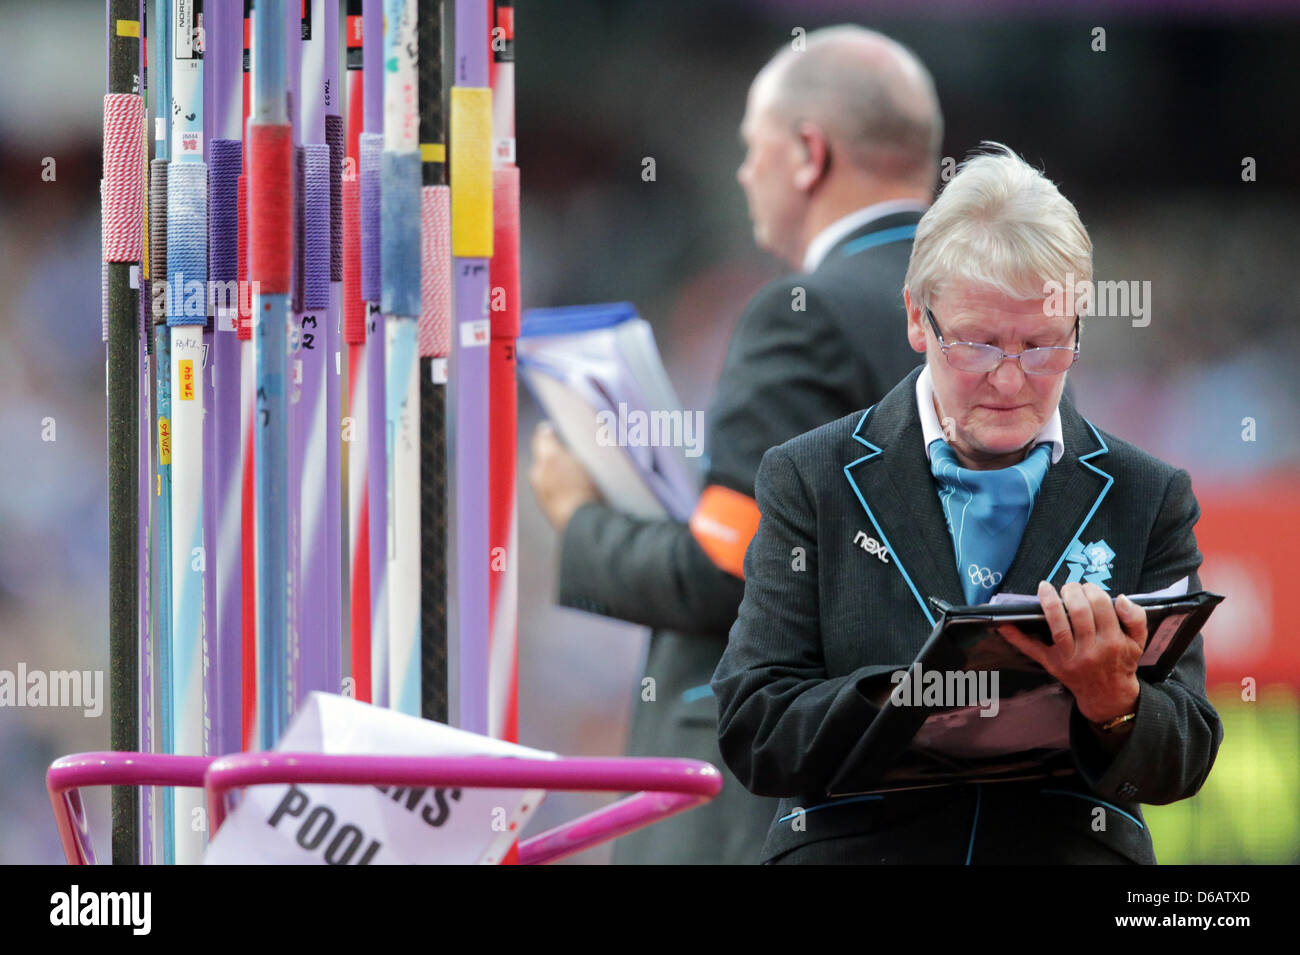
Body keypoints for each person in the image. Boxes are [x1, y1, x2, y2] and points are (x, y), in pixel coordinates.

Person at [711, 142, 1223, 864]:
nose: (1011, 380)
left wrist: (1116, 704)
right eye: (978, 344)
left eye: (1043, 345)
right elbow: (755, 727)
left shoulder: (1149, 493)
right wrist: (918, 699)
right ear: (918, 319)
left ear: (1078, 327)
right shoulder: (812, 476)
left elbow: (1188, 755)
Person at [528, 25, 944, 864]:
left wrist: (580, 519)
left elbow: (737, 569)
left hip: (766, 809)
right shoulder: (1003, 322)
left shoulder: (804, 314)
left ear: (808, 153)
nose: (743, 174)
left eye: (752, 149)